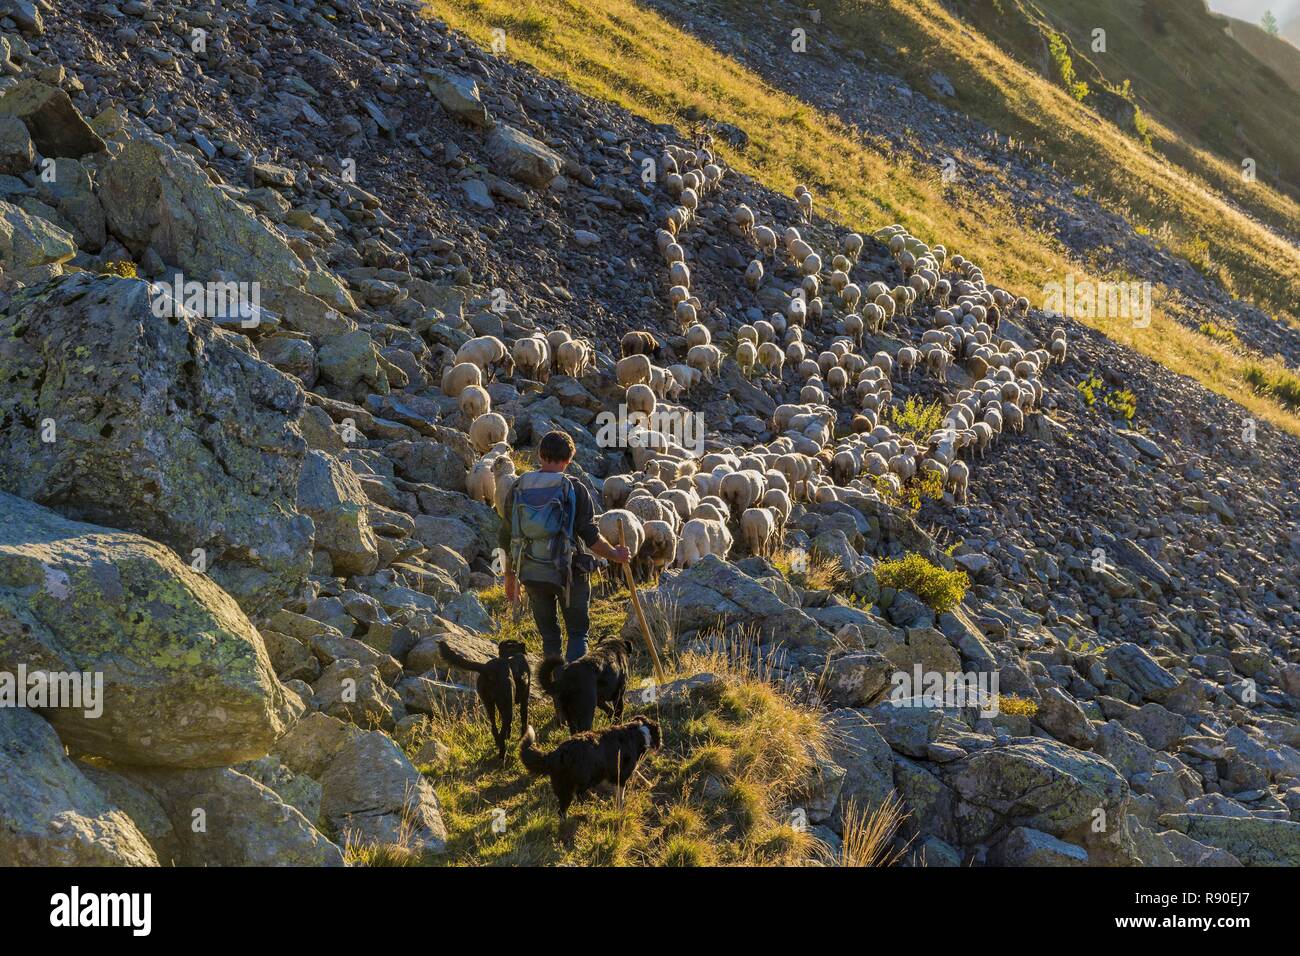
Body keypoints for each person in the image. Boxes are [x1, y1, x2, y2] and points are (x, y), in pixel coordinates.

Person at [498, 430, 630, 662]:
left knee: (549, 638)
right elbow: (590, 536)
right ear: (569, 461)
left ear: (539, 455)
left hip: (531, 571)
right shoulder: (574, 489)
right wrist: (614, 554)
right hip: (569, 572)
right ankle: (576, 689)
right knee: (578, 633)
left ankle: (556, 690)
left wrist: (510, 577)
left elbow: (507, 536)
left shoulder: (519, 486)